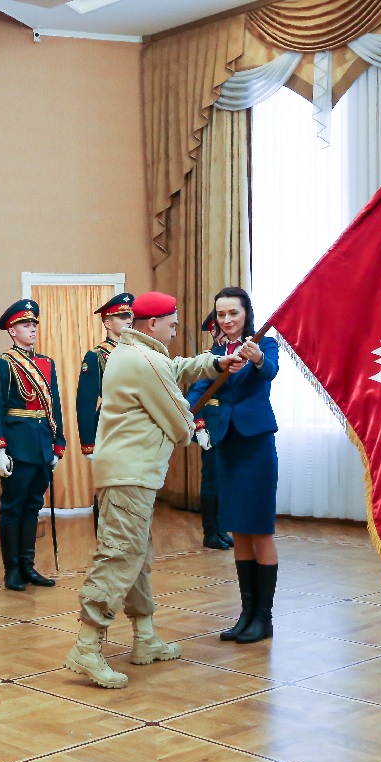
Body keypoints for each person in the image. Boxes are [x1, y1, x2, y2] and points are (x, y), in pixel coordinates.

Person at [64, 292, 241, 688]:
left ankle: (144, 638)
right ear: (152, 325)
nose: (176, 330)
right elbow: (180, 422)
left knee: (137, 555)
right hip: (131, 473)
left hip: (131, 472)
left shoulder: (132, 352)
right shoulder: (144, 362)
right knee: (120, 555)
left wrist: (215, 363)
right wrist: (191, 423)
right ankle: (87, 646)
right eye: (172, 323)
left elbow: (175, 366)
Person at [186, 287, 279, 645]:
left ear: (246, 315)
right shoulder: (215, 354)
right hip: (226, 445)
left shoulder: (264, 344)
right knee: (239, 529)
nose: (226, 320)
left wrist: (256, 359)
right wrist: (185, 414)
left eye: (233, 314)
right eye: (221, 314)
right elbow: (200, 392)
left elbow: (269, 372)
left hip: (255, 445)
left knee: (260, 529)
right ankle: (246, 613)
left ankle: (264, 617)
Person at [0, 299, 65, 592]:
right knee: (13, 508)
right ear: (11, 330)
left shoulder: (46, 363)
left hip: (42, 444)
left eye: (33, 324)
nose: (31, 329)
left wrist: (58, 444)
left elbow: (54, 406)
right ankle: (13, 570)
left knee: (33, 506)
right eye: (24, 325)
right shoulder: (3, 364)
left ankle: (28, 565)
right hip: (17, 446)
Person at [192, 312, 232, 551]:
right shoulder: (209, 359)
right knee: (212, 483)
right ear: (214, 332)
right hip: (212, 427)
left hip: (230, 426)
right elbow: (195, 397)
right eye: (219, 330)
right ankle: (210, 532)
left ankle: (222, 528)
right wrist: (200, 427)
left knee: (226, 482)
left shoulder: (237, 355)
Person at [76, 293, 134, 457]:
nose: (129, 320)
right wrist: (88, 443)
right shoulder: (97, 356)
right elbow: (86, 403)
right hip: (112, 426)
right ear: (107, 323)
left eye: (129, 315)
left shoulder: (138, 351)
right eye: (122, 317)